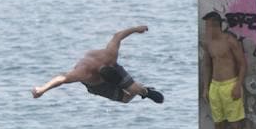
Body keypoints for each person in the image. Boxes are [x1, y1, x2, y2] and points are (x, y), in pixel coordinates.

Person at [31, 25, 164, 105]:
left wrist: (136, 29)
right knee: (126, 99)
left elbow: (118, 36)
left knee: (134, 89)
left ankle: (144, 91)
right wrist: (43, 89)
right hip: (97, 85)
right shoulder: (84, 73)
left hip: (113, 70)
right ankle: (139, 90)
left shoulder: (109, 56)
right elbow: (62, 78)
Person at [202, 11, 246, 129]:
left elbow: (242, 65)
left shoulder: (230, 41)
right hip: (215, 87)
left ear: (215, 25)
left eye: (207, 26)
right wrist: (206, 87)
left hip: (230, 86)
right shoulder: (208, 43)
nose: (206, 29)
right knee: (218, 126)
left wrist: (237, 86)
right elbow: (207, 65)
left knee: (235, 127)